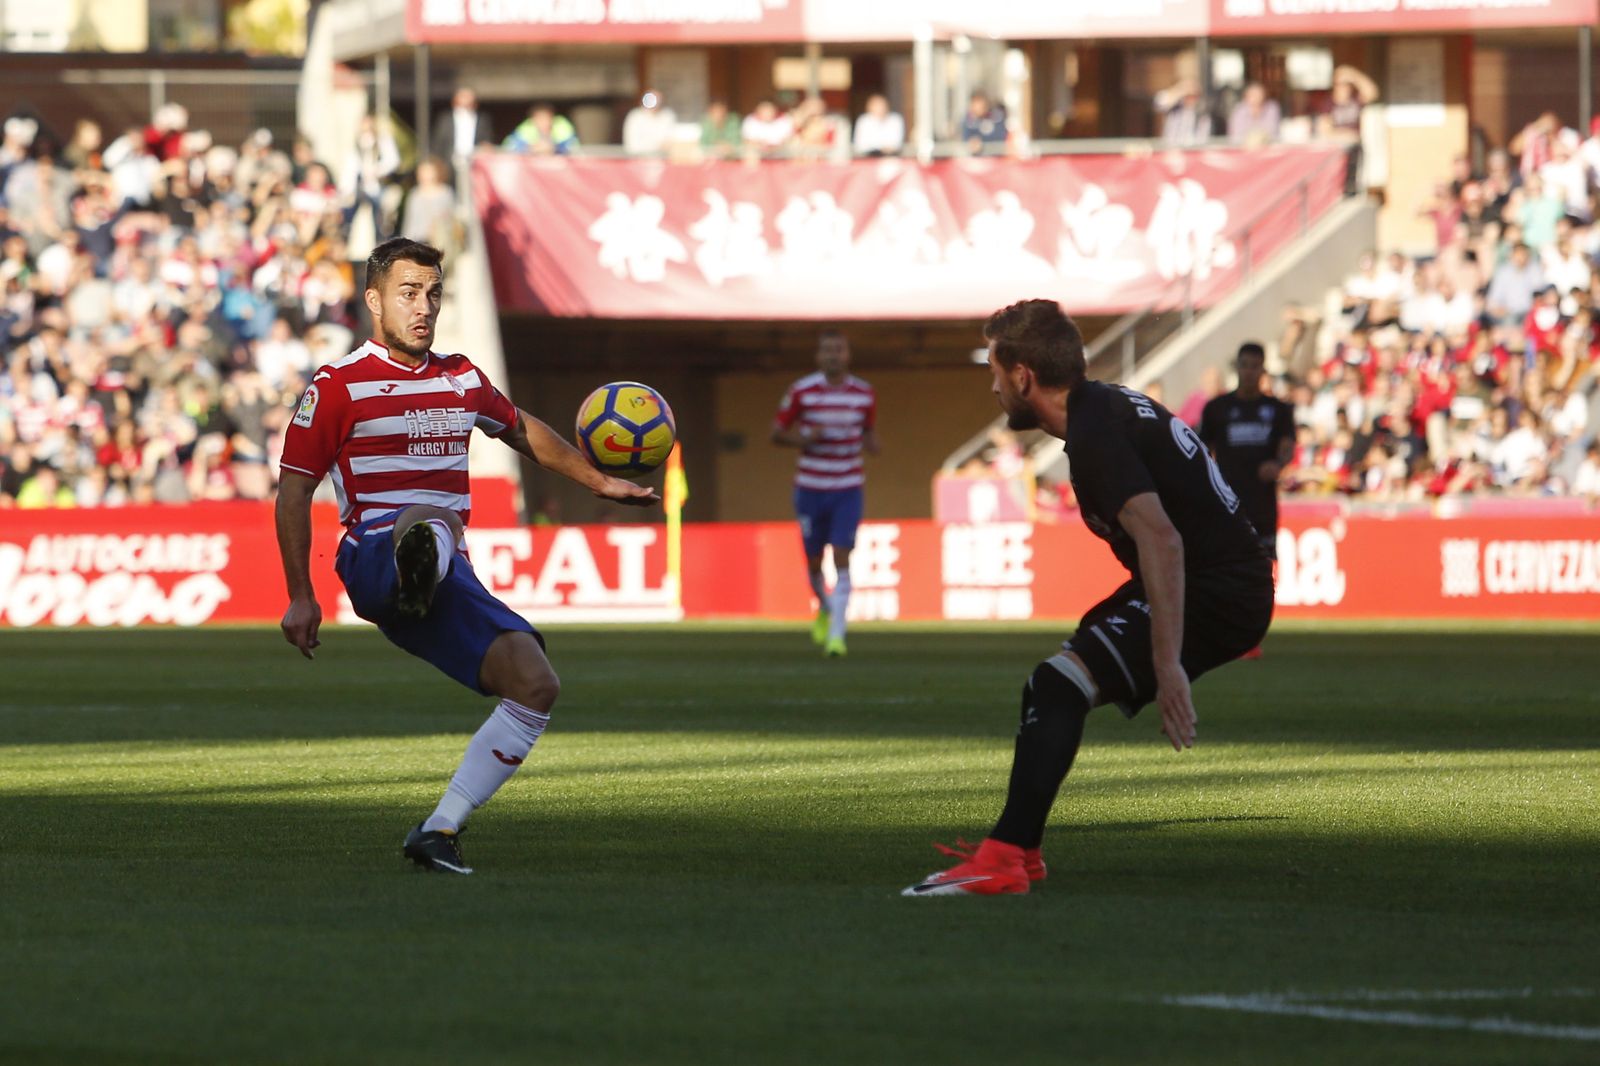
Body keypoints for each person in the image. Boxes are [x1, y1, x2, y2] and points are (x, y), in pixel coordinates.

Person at [274, 237, 658, 875]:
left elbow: (521, 428)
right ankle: (419, 554)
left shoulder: (462, 377)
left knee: (536, 684)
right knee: (424, 523)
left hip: (449, 579)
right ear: (374, 301)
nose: (423, 307)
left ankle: (439, 829)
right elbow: (293, 492)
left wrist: (598, 479)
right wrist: (300, 593)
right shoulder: (338, 385)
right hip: (371, 557)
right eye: (408, 293)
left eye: (433, 294)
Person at [904, 300, 1272, 896]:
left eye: (996, 372)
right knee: (1054, 684)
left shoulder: (1095, 428)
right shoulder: (1100, 409)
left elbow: (1162, 537)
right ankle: (1018, 850)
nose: (994, 388)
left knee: (1057, 685)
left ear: (1023, 375)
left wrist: (1168, 663)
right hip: (1219, 579)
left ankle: (1005, 858)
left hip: (1217, 588)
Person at [770, 331, 879, 658]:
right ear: (819, 357)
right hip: (810, 488)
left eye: (839, 350)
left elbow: (869, 432)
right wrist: (803, 441)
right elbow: (776, 434)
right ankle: (825, 606)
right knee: (815, 562)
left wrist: (873, 444)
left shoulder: (864, 394)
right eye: (827, 350)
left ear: (847, 355)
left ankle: (837, 635)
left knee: (843, 555)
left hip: (847, 487)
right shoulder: (802, 391)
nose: (833, 355)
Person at [1198, 341, 1294, 660]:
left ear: (1263, 370)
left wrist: (1278, 465)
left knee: (1262, 573)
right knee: (1225, 568)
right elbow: (1199, 449)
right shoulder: (1217, 409)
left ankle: (1250, 637)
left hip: (1262, 504)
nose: (1249, 371)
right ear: (1236, 368)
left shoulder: (1278, 410)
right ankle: (1225, 631)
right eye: (1244, 365)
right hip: (1227, 505)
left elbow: (1287, 445)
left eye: (1255, 366)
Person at [501, 104, 578, 156]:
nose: (543, 122)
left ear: (552, 118)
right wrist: (529, 149)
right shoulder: (526, 128)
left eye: (546, 118)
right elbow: (509, 147)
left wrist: (555, 148)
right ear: (533, 119)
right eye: (539, 119)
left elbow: (574, 148)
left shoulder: (562, 126)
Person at [622, 90, 677, 158]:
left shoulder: (667, 115)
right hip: (639, 159)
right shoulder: (635, 116)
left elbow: (672, 139)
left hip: (663, 159)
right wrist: (658, 145)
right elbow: (632, 145)